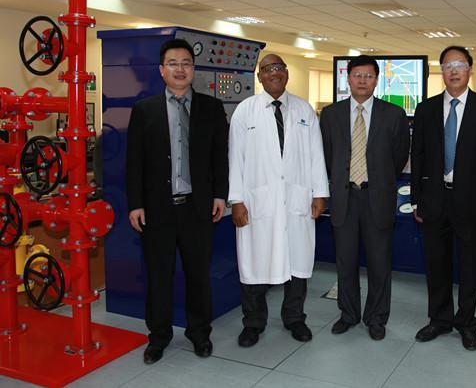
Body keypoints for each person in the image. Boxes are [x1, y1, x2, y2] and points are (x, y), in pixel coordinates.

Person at [126, 38, 228, 365]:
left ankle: (200, 334)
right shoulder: (144, 110)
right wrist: (135, 203)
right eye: (173, 63)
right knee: (159, 276)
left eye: (186, 63)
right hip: (157, 210)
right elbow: (134, 162)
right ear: (162, 70)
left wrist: (220, 195)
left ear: (193, 69)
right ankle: (158, 337)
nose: (180, 69)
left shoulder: (211, 108)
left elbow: (219, 157)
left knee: (198, 275)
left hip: (198, 208)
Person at [228, 53, 328, 347]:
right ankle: (253, 323)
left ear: (286, 73)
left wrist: (320, 193)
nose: (274, 73)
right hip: (257, 202)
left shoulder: (303, 109)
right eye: (267, 69)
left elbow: (316, 154)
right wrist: (237, 200)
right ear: (259, 76)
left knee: (297, 263)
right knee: (255, 264)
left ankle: (295, 318)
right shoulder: (245, 111)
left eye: (279, 68)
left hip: (296, 199)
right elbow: (235, 159)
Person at [410, 45, 476, 351]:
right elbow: (418, 156)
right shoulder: (426, 109)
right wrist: (417, 200)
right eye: (448, 66)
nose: (454, 71)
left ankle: (466, 323)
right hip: (434, 200)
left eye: (459, 65)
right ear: (442, 72)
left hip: (471, 202)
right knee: (436, 264)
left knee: (470, 265)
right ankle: (439, 319)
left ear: (470, 70)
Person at [320, 55, 410, 341]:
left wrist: (379, 179)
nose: (362, 80)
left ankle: (376, 318)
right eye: (357, 75)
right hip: (344, 198)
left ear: (376, 80)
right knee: (345, 262)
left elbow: (399, 156)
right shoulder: (331, 114)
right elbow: (327, 154)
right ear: (348, 78)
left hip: (377, 197)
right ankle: (348, 314)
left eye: (368, 76)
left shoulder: (393, 114)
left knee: (379, 263)